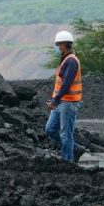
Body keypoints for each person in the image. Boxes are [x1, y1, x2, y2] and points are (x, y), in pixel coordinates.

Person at [44, 30, 83, 162]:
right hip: (61, 102)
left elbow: (66, 83)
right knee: (50, 129)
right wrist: (55, 100)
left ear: (65, 44)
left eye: (59, 44)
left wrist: (55, 100)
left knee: (66, 134)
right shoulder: (66, 59)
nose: (57, 47)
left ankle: (67, 161)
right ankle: (74, 149)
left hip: (69, 102)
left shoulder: (71, 61)